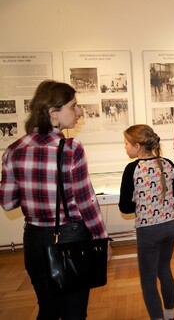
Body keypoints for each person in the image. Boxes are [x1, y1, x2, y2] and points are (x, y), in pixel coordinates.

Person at [0, 79, 109, 319]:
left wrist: (33, 191)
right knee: (75, 312)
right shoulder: (71, 148)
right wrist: (102, 239)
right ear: (53, 113)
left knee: (47, 309)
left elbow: (8, 203)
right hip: (71, 238)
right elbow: (86, 202)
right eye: (73, 106)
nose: (79, 111)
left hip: (34, 240)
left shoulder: (13, 149)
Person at [119, 124, 174, 320]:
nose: (125, 147)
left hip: (148, 231)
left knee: (148, 280)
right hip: (170, 226)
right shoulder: (168, 164)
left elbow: (124, 207)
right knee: (164, 269)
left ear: (138, 146)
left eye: (126, 144)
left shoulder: (132, 169)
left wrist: (142, 206)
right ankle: (170, 315)